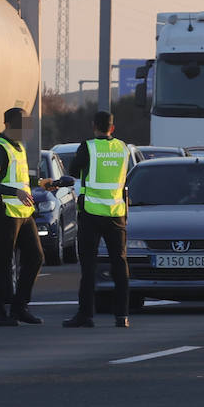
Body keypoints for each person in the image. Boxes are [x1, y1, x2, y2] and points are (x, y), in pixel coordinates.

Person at [64, 111, 132, 329]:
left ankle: (86, 315)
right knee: (119, 264)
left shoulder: (88, 147)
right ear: (112, 128)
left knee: (89, 266)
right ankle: (122, 315)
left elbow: (74, 171)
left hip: (91, 213)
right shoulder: (123, 148)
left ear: (94, 126)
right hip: (116, 214)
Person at [0, 107, 45, 327]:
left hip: (24, 213)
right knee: (2, 263)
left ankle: (20, 307)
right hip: (4, 212)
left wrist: (42, 183)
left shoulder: (19, 148)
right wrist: (14, 192)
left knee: (36, 257)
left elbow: (21, 180)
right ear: (8, 125)